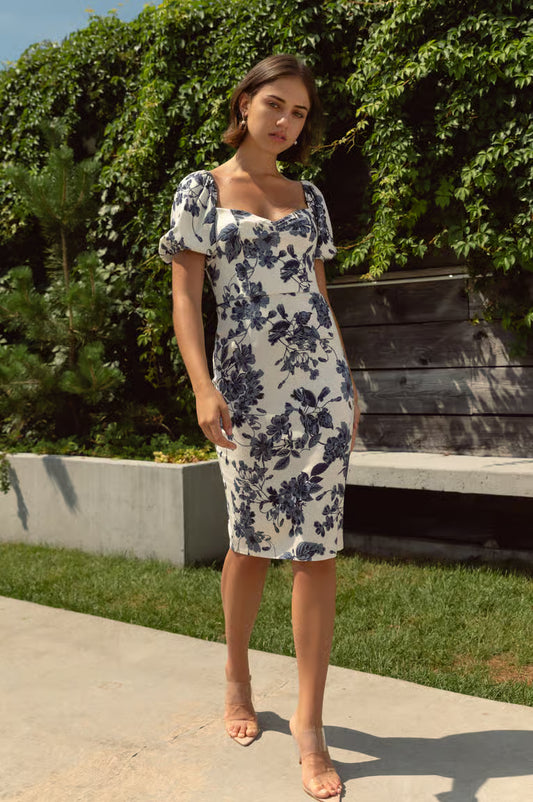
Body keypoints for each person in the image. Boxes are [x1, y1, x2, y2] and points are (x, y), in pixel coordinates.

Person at [159, 53, 360, 801]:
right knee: (249, 545)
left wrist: (346, 379)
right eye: (274, 105)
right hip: (243, 395)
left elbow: (317, 297)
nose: (285, 122)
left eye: (299, 113)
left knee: (317, 553)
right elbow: (185, 298)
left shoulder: (307, 195)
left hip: (319, 396)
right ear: (244, 102)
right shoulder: (201, 189)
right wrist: (202, 389)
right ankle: (237, 678)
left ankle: (310, 727)